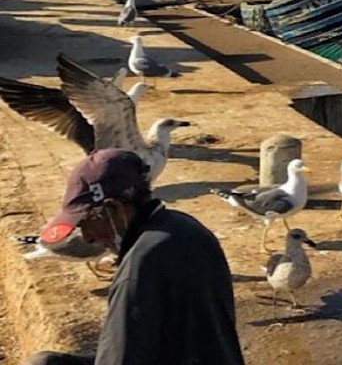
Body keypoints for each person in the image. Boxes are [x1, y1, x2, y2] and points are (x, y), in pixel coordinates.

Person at [27, 148, 245, 365]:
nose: (88, 237)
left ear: (112, 209)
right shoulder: (184, 226)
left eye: (86, 223)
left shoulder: (140, 266)